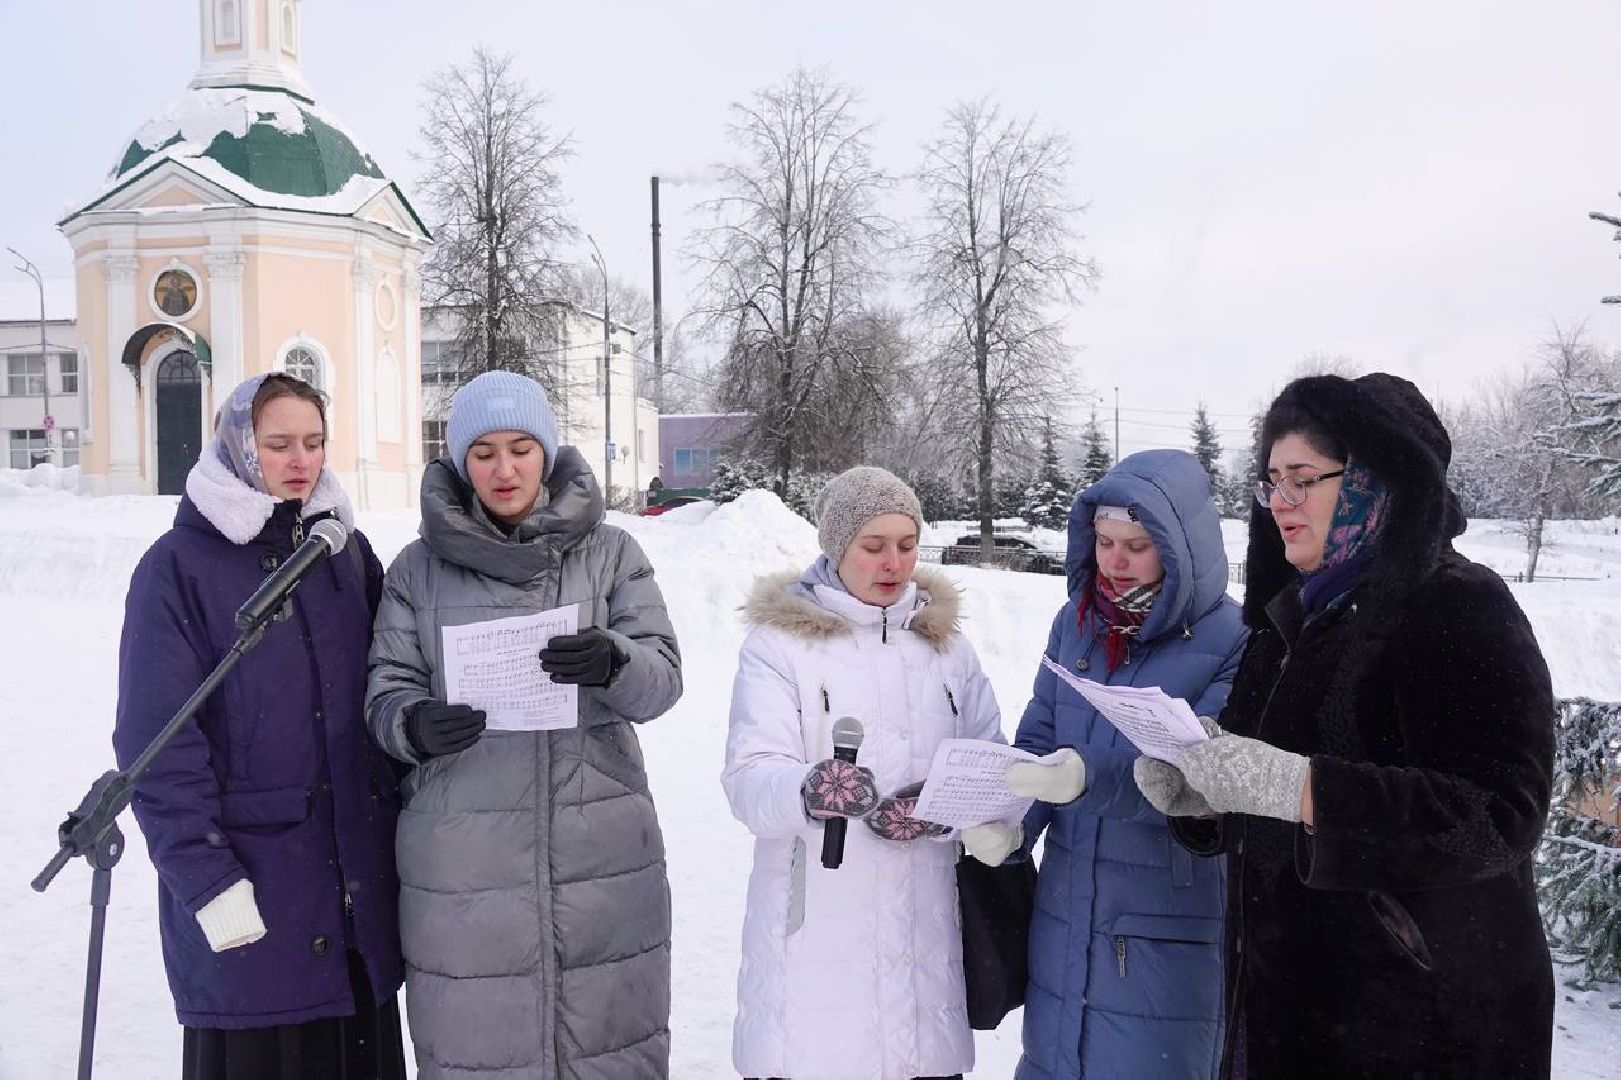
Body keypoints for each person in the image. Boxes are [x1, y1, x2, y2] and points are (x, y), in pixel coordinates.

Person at [1137, 373, 1556, 1078]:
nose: (1278, 501)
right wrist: (1204, 795)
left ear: (1375, 480)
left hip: (1424, 1025)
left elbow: (1497, 818)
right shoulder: (1289, 621)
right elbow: (1258, 785)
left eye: (1302, 478)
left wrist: (1302, 789)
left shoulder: (1457, 606)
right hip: (1288, 1010)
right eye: (1270, 479)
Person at [365, 370, 682, 1079]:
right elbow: (385, 692)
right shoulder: (416, 572)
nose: (503, 469)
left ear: (547, 452)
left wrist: (613, 662)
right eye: (483, 453)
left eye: (520, 448)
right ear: (457, 463)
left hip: (599, 856)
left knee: (607, 1053)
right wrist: (414, 727)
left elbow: (662, 681)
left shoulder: (611, 554)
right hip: (463, 867)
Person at [113, 373, 405, 1080]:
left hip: (354, 905)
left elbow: (385, 692)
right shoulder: (177, 569)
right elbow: (156, 744)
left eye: (313, 442)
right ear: (239, 445)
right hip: (254, 904)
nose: (300, 460)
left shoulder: (344, 556)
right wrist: (206, 879)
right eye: (278, 444)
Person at [723, 467, 1007, 1080]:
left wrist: (940, 809)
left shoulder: (948, 648)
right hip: (814, 948)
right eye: (872, 547)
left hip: (925, 948)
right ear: (836, 547)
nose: (893, 563)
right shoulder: (780, 645)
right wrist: (807, 788)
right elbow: (749, 778)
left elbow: (994, 770)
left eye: (906, 545)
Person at [975, 449, 1246, 1080]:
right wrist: (1017, 823)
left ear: (1180, 549)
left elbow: (1201, 777)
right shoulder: (1076, 626)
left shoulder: (1235, 642)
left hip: (1163, 933)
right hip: (1067, 917)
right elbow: (1041, 735)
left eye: (1137, 546)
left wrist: (1086, 778)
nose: (1115, 562)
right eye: (1104, 542)